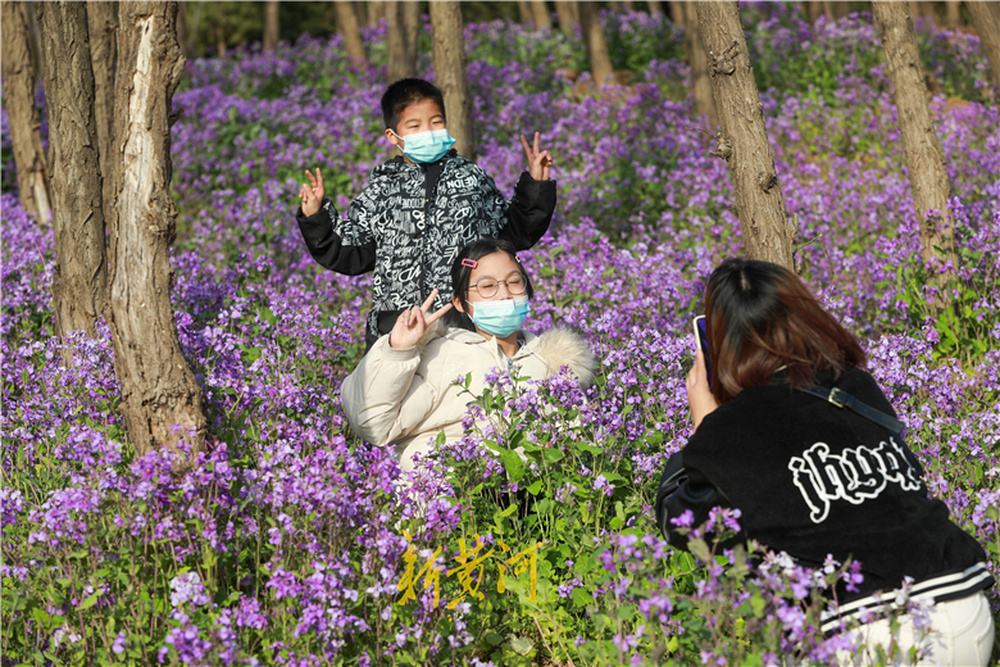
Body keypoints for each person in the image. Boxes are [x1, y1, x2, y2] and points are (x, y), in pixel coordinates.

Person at [656, 258, 995, 666]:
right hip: (967, 607)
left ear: (719, 344)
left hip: (868, 632)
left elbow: (682, 526)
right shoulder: (856, 387)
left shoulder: (732, 427)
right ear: (806, 317)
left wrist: (704, 430)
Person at [296, 77, 557, 347]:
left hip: (462, 327)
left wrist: (535, 186)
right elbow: (350, 252)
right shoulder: (382, 188)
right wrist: (316, 217)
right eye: (415, 125)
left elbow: (512, 233)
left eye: (436, 122)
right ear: (392, 136)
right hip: (396, 327)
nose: (428, 131)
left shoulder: (471, 178)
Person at [341, 238, 594, 475]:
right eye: (487, 286)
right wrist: (398, 352)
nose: (504, 294)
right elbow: (373, 424)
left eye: (514, 282)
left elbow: (586, 444)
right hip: (449, 507)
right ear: (460, 303)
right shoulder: (441, 356)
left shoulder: (552, 363)